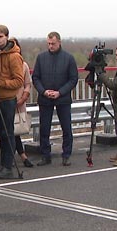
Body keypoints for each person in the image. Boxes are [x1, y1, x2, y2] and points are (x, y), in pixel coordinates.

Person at [31, 31, 78, 166]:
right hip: (45, 98)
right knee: (44, 129)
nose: (50, 46)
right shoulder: (41, 58)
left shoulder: (68, 58)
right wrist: (44, 91)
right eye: (49, 44)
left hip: (62, 99)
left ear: (59, 42)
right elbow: (36, 77)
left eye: (53, 44)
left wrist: (60, 92)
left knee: (66, 128)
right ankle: (45, 155)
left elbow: (73, 79)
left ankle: (66, 155)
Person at [0, 25, 24, 179]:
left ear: (7, 37)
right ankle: (3, 164)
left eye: (0, 36)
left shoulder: (14, 56)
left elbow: (19, 81)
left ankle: (8, 167)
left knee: (8, 133)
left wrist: (0, 84)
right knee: (0, 133)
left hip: (7, 100)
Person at [10, 38, 33, 167]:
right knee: (10, 131)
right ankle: (21, 156)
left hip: (20, 102)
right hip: (6, 102)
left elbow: (27, 84)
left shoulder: (23, 65)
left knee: (16, 131)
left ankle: (18, 155)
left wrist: (23, 98)